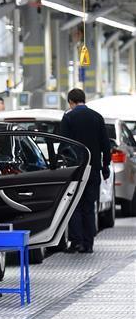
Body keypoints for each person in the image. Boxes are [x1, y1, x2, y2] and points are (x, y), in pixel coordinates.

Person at [60, 88, 111, 253]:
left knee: (74, 206)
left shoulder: (68, 117)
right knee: (90, 207)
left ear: (71, 102)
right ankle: (88, 244)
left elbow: (64, 145)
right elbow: (106, 145)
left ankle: (76, 242)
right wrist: (105, 166)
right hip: (94, 169)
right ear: (84, 99)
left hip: (76, 170)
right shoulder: (97, 117)